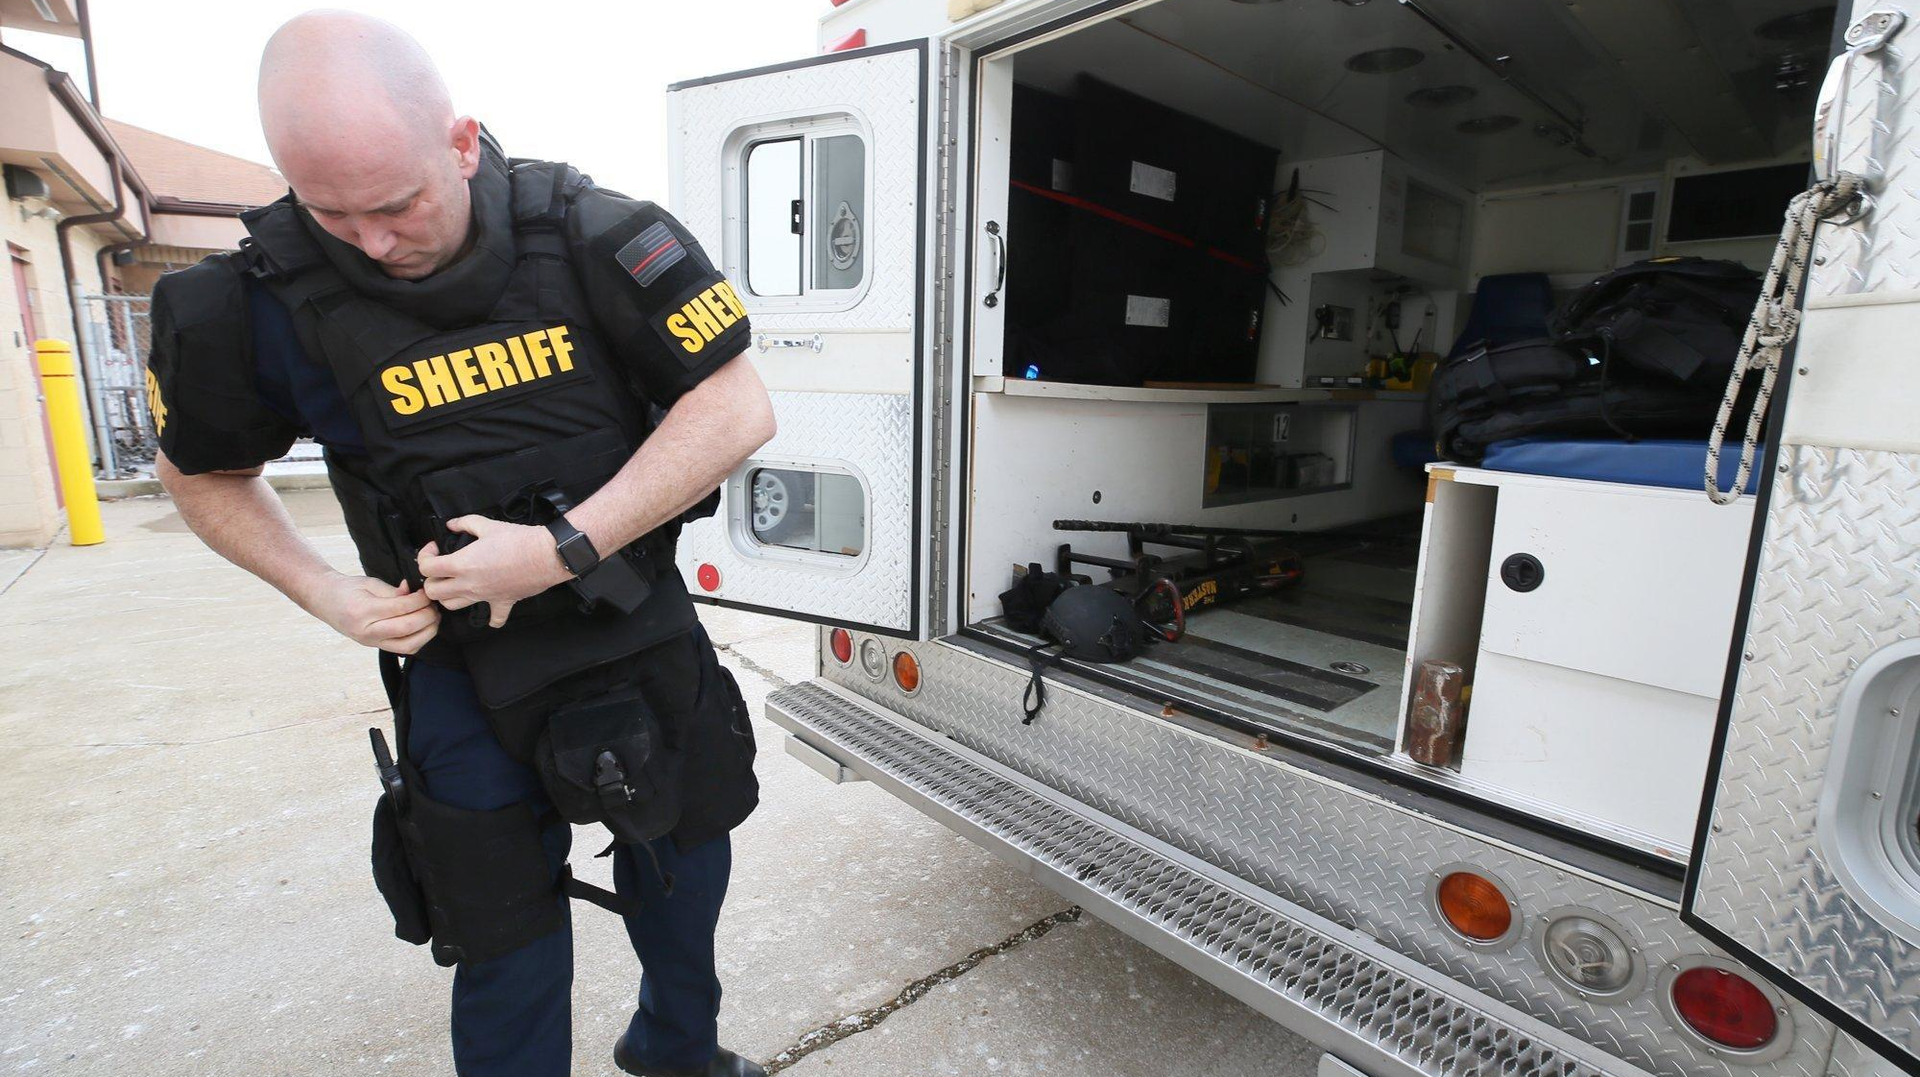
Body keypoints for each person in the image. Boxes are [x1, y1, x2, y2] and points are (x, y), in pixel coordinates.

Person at [146, 11, 774, 1077]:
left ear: (462, 140)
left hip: (632, 619)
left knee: (684, 861)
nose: (373, 244)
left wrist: (562, 548)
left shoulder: (591, 234)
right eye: (331, 213)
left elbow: (734, 405)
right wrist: (323, 592)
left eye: (396, 205)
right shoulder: (251, 305)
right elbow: (199, 475)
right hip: (459, 675)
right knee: (501, 936)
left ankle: (677, 1050)